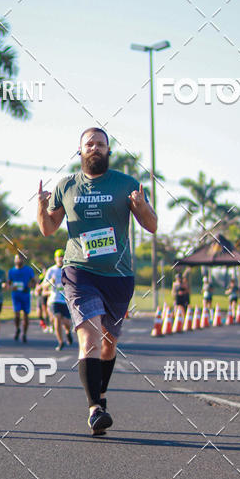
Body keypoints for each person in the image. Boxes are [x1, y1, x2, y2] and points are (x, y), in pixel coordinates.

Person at [37, 127, 157, 435]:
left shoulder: (126, 184)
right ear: (80, 151)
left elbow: (153, 225)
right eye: (89, 144)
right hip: (80, 271)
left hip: (118, 275)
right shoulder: (67, 186)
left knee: (108, 343)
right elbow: (49, 229)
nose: (95, 148)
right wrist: (41, 206)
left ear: (108, 151)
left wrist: (142, 208)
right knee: (89, 339)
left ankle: (100, 394)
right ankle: (95, 408)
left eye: (100, 144)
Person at [44, 249, 74, 350]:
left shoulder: (69, 269)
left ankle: (68, 332)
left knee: (66, 322)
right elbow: (44, 285)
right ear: (55, 258)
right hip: (54, 299)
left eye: (62, 256)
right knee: (57, 318)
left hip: (65, 300)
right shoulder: (51, 270)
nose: (60, 259)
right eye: (59, 257)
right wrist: (50, 282)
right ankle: (60, 342)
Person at [7, 253, 35, 342]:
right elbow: (8, 283)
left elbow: (34, 282)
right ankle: (17, 328)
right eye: (17, 259)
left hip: (25, 295)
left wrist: (31, 285)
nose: (18, 260)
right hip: (16, 295)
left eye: (20, 259)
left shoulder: (29, 270)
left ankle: (24, 334)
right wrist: (11, 287)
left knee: (26, 315)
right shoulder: (11, 271)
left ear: (23, 260)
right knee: (17, 314)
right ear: (14, 260)